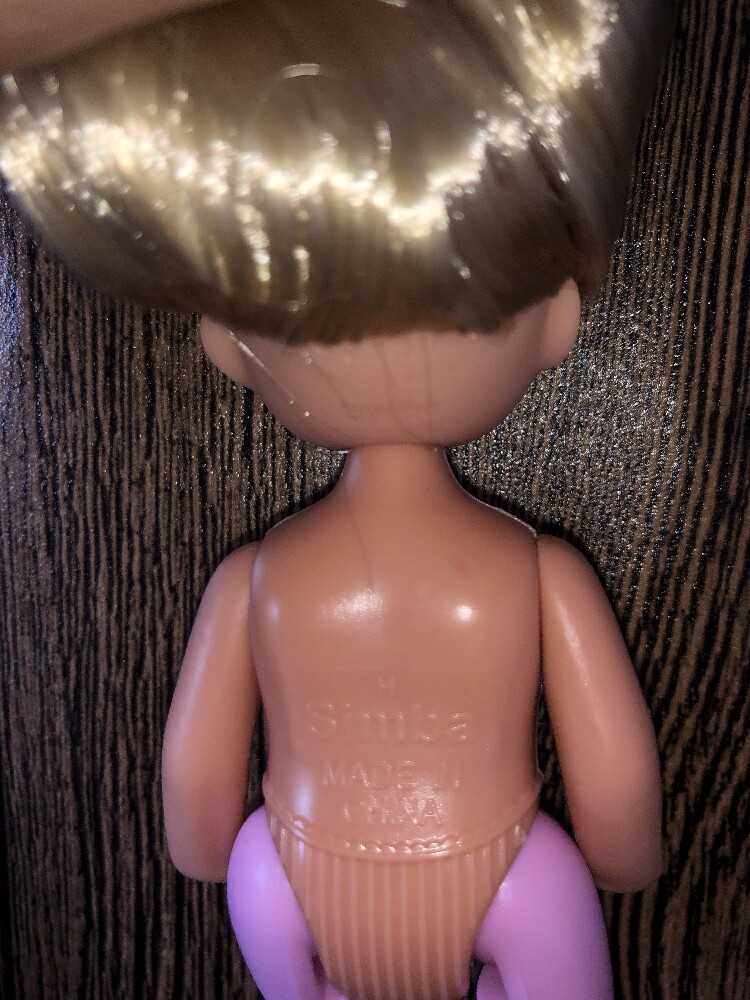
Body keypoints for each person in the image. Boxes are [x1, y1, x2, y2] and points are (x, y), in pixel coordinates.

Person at [0, 2, 672, 997]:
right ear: (556, 324)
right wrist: (621, 855)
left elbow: (196, 786)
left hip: (287, 878)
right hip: (512, 880)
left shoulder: (256, 579)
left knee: (257, 888)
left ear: (231, 348)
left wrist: (206, 845)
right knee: (555, 908)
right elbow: (616, 781)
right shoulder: (538, 573)